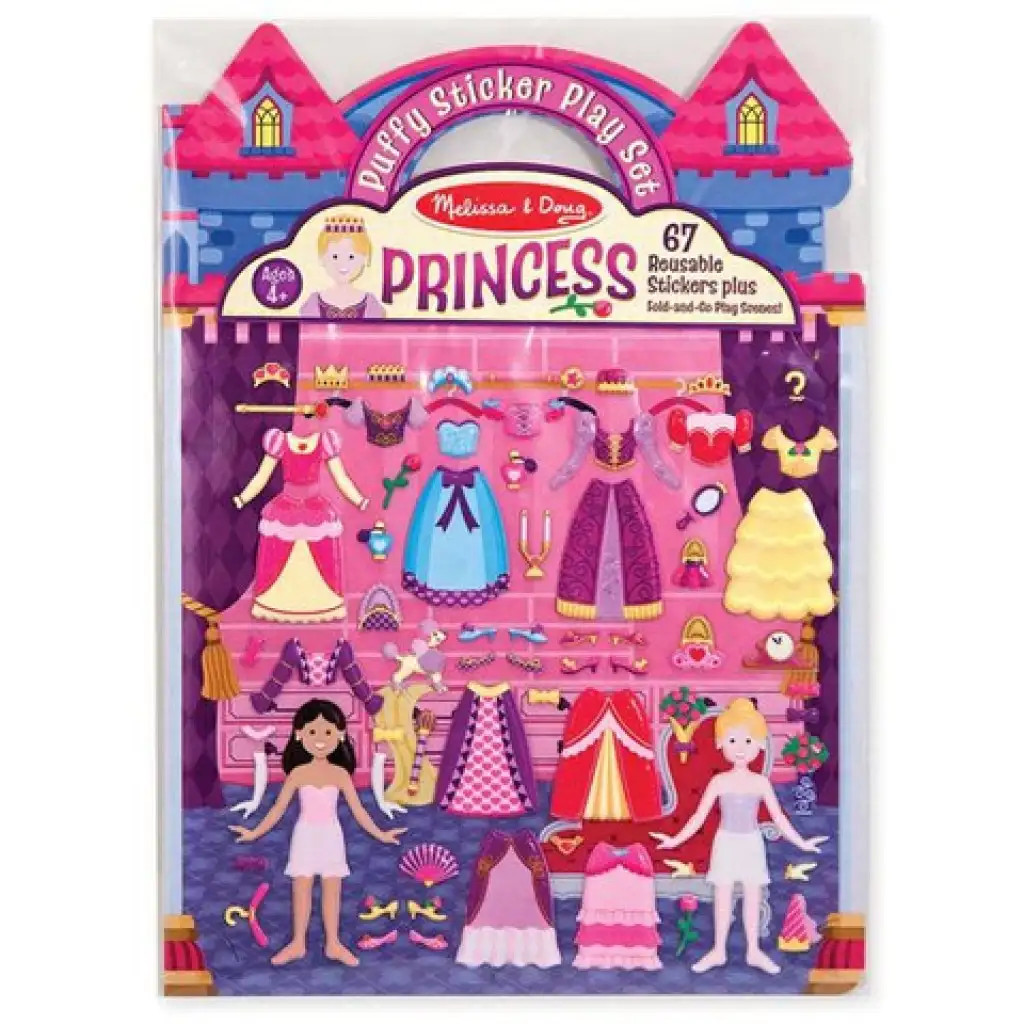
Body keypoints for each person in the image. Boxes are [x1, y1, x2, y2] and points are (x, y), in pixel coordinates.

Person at [650, 697, 827, 975]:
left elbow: (779, 818)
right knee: (722, 895)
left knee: (753, 895)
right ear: (721, 744)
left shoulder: (760, 783)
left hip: (751, 844)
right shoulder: (719, 781)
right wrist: (675, 840)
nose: (741, 748)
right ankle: (718, 950)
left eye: (748, 741)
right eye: (733, 741)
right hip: (725, 843)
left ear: (759, 745)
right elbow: (698, 816)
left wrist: (801, 842)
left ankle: (753, 951)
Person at [230, 699, 405, 966]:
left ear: (340, 735)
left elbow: (358, 810)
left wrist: (381, 834)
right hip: (304, 836)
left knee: (332, 889)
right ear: (299, 735)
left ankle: (333, 943)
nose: (320, 739)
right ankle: (298, 943)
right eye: (312, 731)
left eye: (327, 732)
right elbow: (278, 809)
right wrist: (254, 833)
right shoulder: (298, 774)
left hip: (332, 837)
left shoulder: (340, 774)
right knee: (301, 888)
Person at [299, 215, 385, 319]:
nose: (343, 263)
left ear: (365, 258)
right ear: (322, 258)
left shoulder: (371, 304)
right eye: (335, 256)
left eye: (351, 257)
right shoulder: (313, 303)